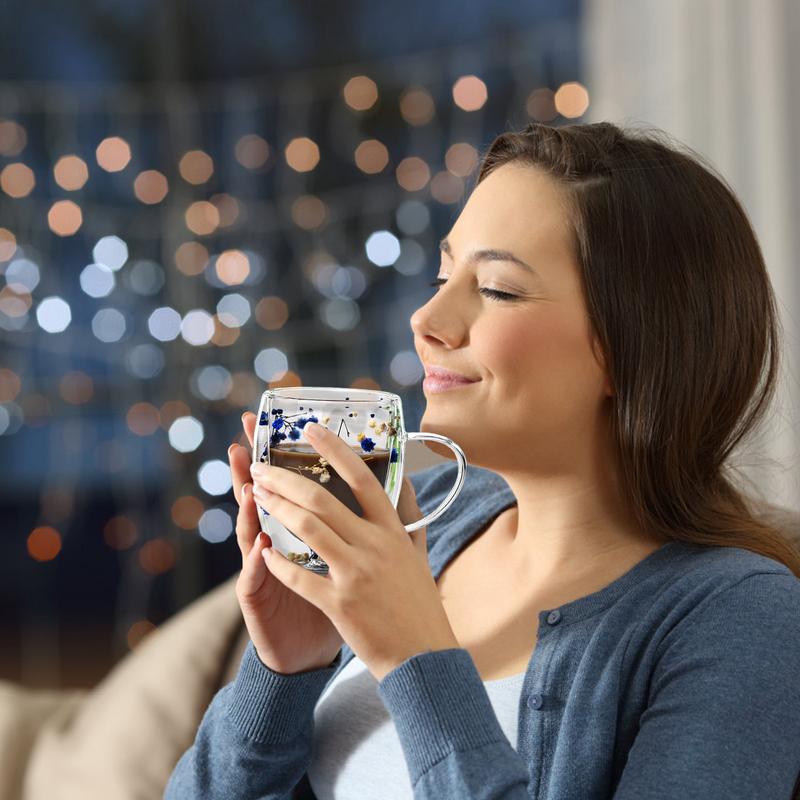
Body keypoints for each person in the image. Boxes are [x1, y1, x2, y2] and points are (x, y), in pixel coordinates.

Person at [165, 121, 800, 799]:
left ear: (634, 342)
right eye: (444, 274)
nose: (428, 317)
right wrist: (285, 671)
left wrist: (415, 653)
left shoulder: (744, 618)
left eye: (496, 288)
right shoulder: (430, 519)